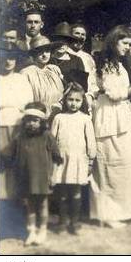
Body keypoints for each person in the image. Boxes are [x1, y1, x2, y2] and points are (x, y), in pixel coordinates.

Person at [90, 25, 131, 228]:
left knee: (126, 164)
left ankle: (126, 210)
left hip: (120, 118)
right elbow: (114, 94)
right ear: (114, 41)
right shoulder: (105, 64)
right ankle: (108, 214)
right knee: (110, 166)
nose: (127, 48)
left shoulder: (118, 64)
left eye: (129, 45)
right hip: (109, 118)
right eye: (124, 43)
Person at [0, 102, 63, 246]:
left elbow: (56, 157)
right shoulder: (20, 137)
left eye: (35, 120)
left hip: (42, 179)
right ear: (24, 121)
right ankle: (32, 232)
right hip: (26, 179)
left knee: (42, 205)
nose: (32, 123)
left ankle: (43, 231)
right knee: (30, 207)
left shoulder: (47, 136)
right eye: (28, 120)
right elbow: (7, 153)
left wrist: (54, 176)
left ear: (42, 121)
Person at [51, 82, 96, 234]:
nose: (73, 103)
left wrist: (90, 161)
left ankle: (75, 222)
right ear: (65, 100)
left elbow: (91, 141)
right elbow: (52, 140)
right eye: (70, 99)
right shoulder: (59, 118)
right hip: (61, 160)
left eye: (77, 100)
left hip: (78, 160)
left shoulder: (85, 119)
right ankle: (62, 222)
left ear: (82, 101)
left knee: (76, 191)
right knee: (62, 192)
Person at [0, 42, 33, 200]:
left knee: (16, 160)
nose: (8, 62)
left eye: (11, 58)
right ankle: (0, 196)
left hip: (17, 125)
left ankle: (15, 196)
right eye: (5, 57)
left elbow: (26, 103)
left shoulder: (21, 79)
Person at [20, 35, 64, 116]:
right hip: (38, 115)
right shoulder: (27, 73)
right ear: (33, 54)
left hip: (57, 114)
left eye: (47, 51)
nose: (44, 55)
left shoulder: (54, 70)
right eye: (40, 51)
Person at [49, 22, 88, 90]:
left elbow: (82, 86)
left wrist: (62, 77)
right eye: (59, 41)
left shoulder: (76, 60)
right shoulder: (48, 59)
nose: (62, 45)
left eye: (65, 41)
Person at [69, 23, 99, 104]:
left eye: (83, 34)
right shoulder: (64, 55)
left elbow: (93, 80)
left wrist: (91, 96)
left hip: (87, 100)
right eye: (77, 33)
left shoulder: (88, 57)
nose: (80, 37)